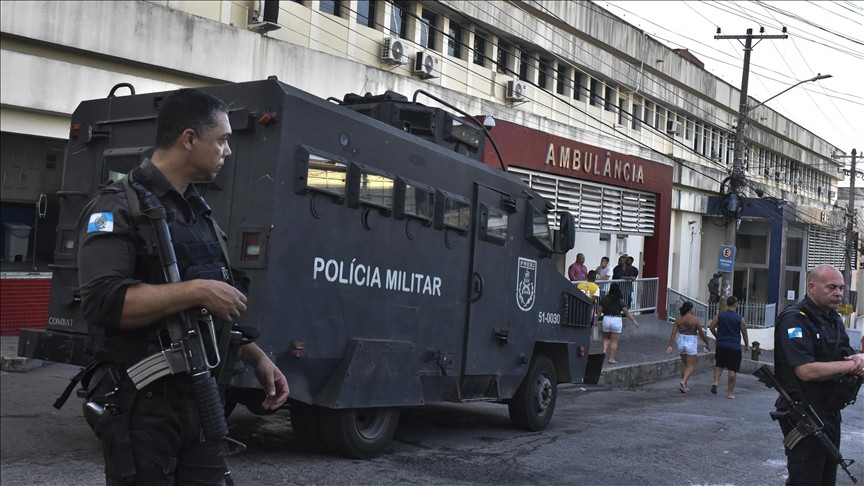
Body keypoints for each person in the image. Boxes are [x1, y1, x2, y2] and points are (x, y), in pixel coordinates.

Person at [77, 88, 290, 484]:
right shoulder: (117, 207)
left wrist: (257, 358)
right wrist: (196, 290)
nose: (228, 151)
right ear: (189, 139)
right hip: (143, 409)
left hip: (202, 399)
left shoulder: (197, 214)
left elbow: (204, 314)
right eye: (222, 140)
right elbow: (103, 299)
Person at [774, 264, 864, 486]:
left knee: (827, 478)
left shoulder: (833, 319)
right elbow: (805, 371)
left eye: (841, 288)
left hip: (830, 411)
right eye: (831, 287)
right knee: (806, 479)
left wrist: (857, 362)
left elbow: (844, 357)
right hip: (804, 412)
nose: (839, 293)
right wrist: (850, 366)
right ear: (812, 287)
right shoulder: (795, 319)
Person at [709, 295, 749, 398]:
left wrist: (717, 336)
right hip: (734, 347)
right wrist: (746, 345)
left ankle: (715, 382)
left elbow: (712, 327)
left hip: (721, 345)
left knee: (719, 365)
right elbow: (744, 332)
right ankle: (730, 393)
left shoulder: (720, 315)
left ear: (727, 304)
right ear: (736, 304)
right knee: (732, 369)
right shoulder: (740, 318)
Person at [667, 301, 711, 393]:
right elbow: (701, 333)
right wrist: (707, 343)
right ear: (691, 309)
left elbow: (673, 333)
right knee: (691, 365)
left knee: (685, 364)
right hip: (691, 341)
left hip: (681, 340)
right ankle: (683, 381)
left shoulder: (678, 319)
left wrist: (670, 345)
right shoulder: (695, 319)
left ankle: (685, 386)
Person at [597, 283, 639, 364]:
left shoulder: (604, 299)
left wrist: (596, 319)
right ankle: (611, 359)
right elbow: (626, 312)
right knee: (614, 341)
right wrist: (634, 321)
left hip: (606, 319)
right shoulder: (619, 300)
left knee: (606, 338)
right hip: (616, 320)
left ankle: (604, 351)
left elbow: (599, 311)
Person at [577, 270, 600, 341]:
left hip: (579, 308)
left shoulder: (580, 285)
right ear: (595, 278)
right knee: (588, 326)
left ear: (587, 276)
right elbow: (593, 299)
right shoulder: (596, 287)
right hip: (589, 310)